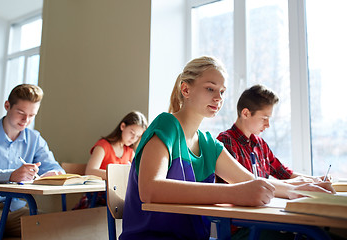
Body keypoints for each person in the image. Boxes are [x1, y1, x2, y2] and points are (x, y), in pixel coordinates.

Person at [119, 56, 334, 240]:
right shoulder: (166, 125)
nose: (218, 97)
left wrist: (296, 190)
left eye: (222, 91)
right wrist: (233, 193)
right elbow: (150, 190)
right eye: (210, 88)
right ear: (185, 89)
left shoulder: (208, 143)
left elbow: (249, 180)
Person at [0, 84, 65, 240]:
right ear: (7, 106)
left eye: (32, 115)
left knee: (58, 228)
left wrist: (54, 174)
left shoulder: (34, 139)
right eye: (21, 113)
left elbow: (53, 167)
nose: (26, 120)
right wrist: (11, 175)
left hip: (17, 210)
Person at [216, 84, 325, 184]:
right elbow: (238, 186)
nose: (268, 125)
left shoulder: (260, 144)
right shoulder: (226, 141)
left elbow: (283, 173)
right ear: (245, 113)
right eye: (264, 118)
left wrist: (315, 180)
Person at [73, 111, 147, 209]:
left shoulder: (129, 151)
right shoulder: (103, 146)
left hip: (116, 197)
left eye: (138, 136)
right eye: (132, 133)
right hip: (96, 197)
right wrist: (118, 175)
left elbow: (134, 173)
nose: (133, 138)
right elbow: (90, 171)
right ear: (123, 126)